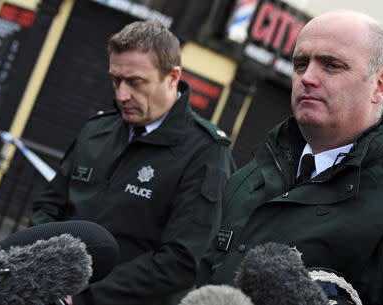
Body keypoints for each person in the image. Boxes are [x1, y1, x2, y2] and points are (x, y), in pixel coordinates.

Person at [197, 10, 383, 305]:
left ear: (381, 85)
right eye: (300, 63)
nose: (307, 78)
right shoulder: (253, 173)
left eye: (332, 66)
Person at [30, 21, 235, 305]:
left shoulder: (206, 152)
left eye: (136, 82)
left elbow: (182, 260)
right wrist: (37, 271)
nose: (121, 95)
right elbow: (48, 207)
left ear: (172, 77)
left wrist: (83, 297)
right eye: (116, 80)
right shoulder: (97, 130)